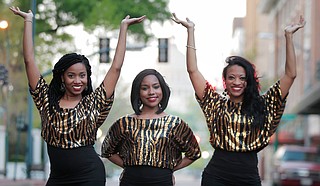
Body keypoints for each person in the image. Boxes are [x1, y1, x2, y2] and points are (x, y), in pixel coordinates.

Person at [9, 6, 146, 186]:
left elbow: (115, 68)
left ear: (87, 79)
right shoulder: (46, 101)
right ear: (62, 78)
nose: (77, 80)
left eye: (82, 76)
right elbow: (29, 61)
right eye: (71, 75)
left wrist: (123, 28)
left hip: (90, 176)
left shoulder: (94, 103)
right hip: (57, 178)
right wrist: (28, 21)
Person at [171, 13, 305, 186]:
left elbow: (290, 75)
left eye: (242, 78)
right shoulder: (215, 104)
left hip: (248, 178)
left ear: (248, 81)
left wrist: (288, 37)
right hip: (216, 176)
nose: (237, 82)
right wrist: (191, 31)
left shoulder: (264, 104)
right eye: (231, 77)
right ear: (224, 81)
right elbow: (193, 71)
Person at [101, 69, 201, 186]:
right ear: (137, 92)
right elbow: (107, 151)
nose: (151, 92)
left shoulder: (175, 123)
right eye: (144, 88)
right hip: (130, 181)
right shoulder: (124, 123)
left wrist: (169, 170)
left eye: (156, 87)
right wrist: (129, 166)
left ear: (162, 89)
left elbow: (194, 153)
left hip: (162, 181)